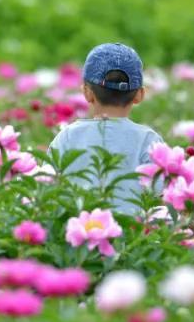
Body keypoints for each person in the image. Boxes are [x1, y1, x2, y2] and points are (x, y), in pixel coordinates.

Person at [49, 43, 164, 214]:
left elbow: (49, 189)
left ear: (87, 93)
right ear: (139, 95)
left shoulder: (67, 136)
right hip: (133, 235)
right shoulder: (149, 140)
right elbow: (160, 198)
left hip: (76, 233)